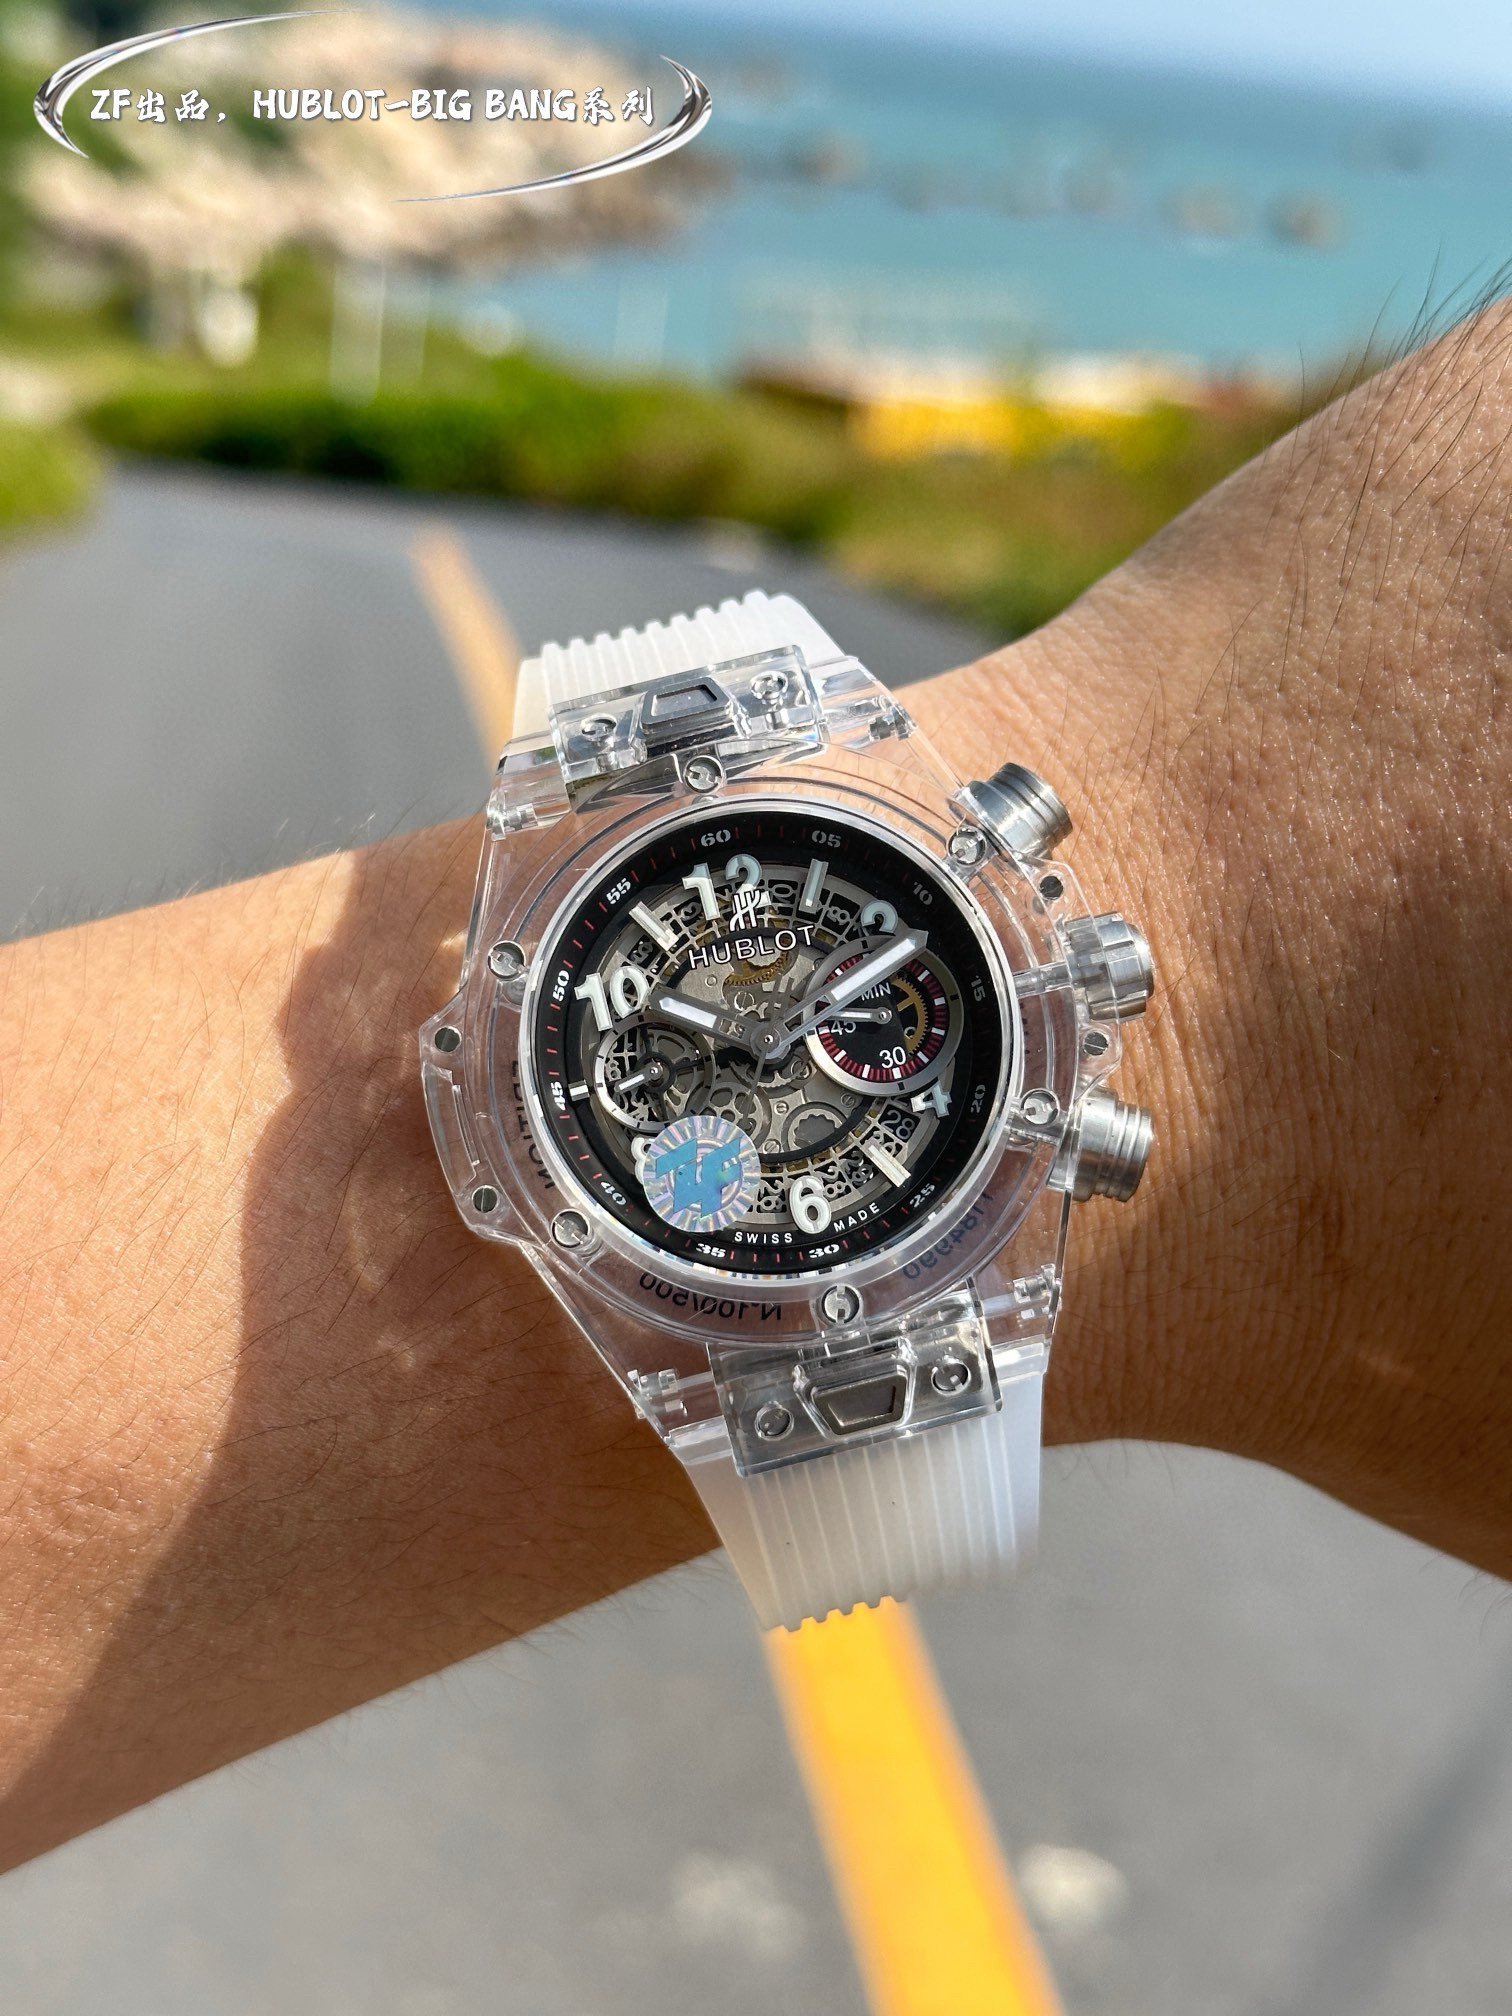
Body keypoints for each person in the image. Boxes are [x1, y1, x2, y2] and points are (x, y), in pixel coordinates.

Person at [0, 300, 1506, 1873]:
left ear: (1073, 1022)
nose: (786, 1052)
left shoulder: (986, 1028)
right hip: (691, 1172)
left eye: (848, 1031)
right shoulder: (576, 1059)